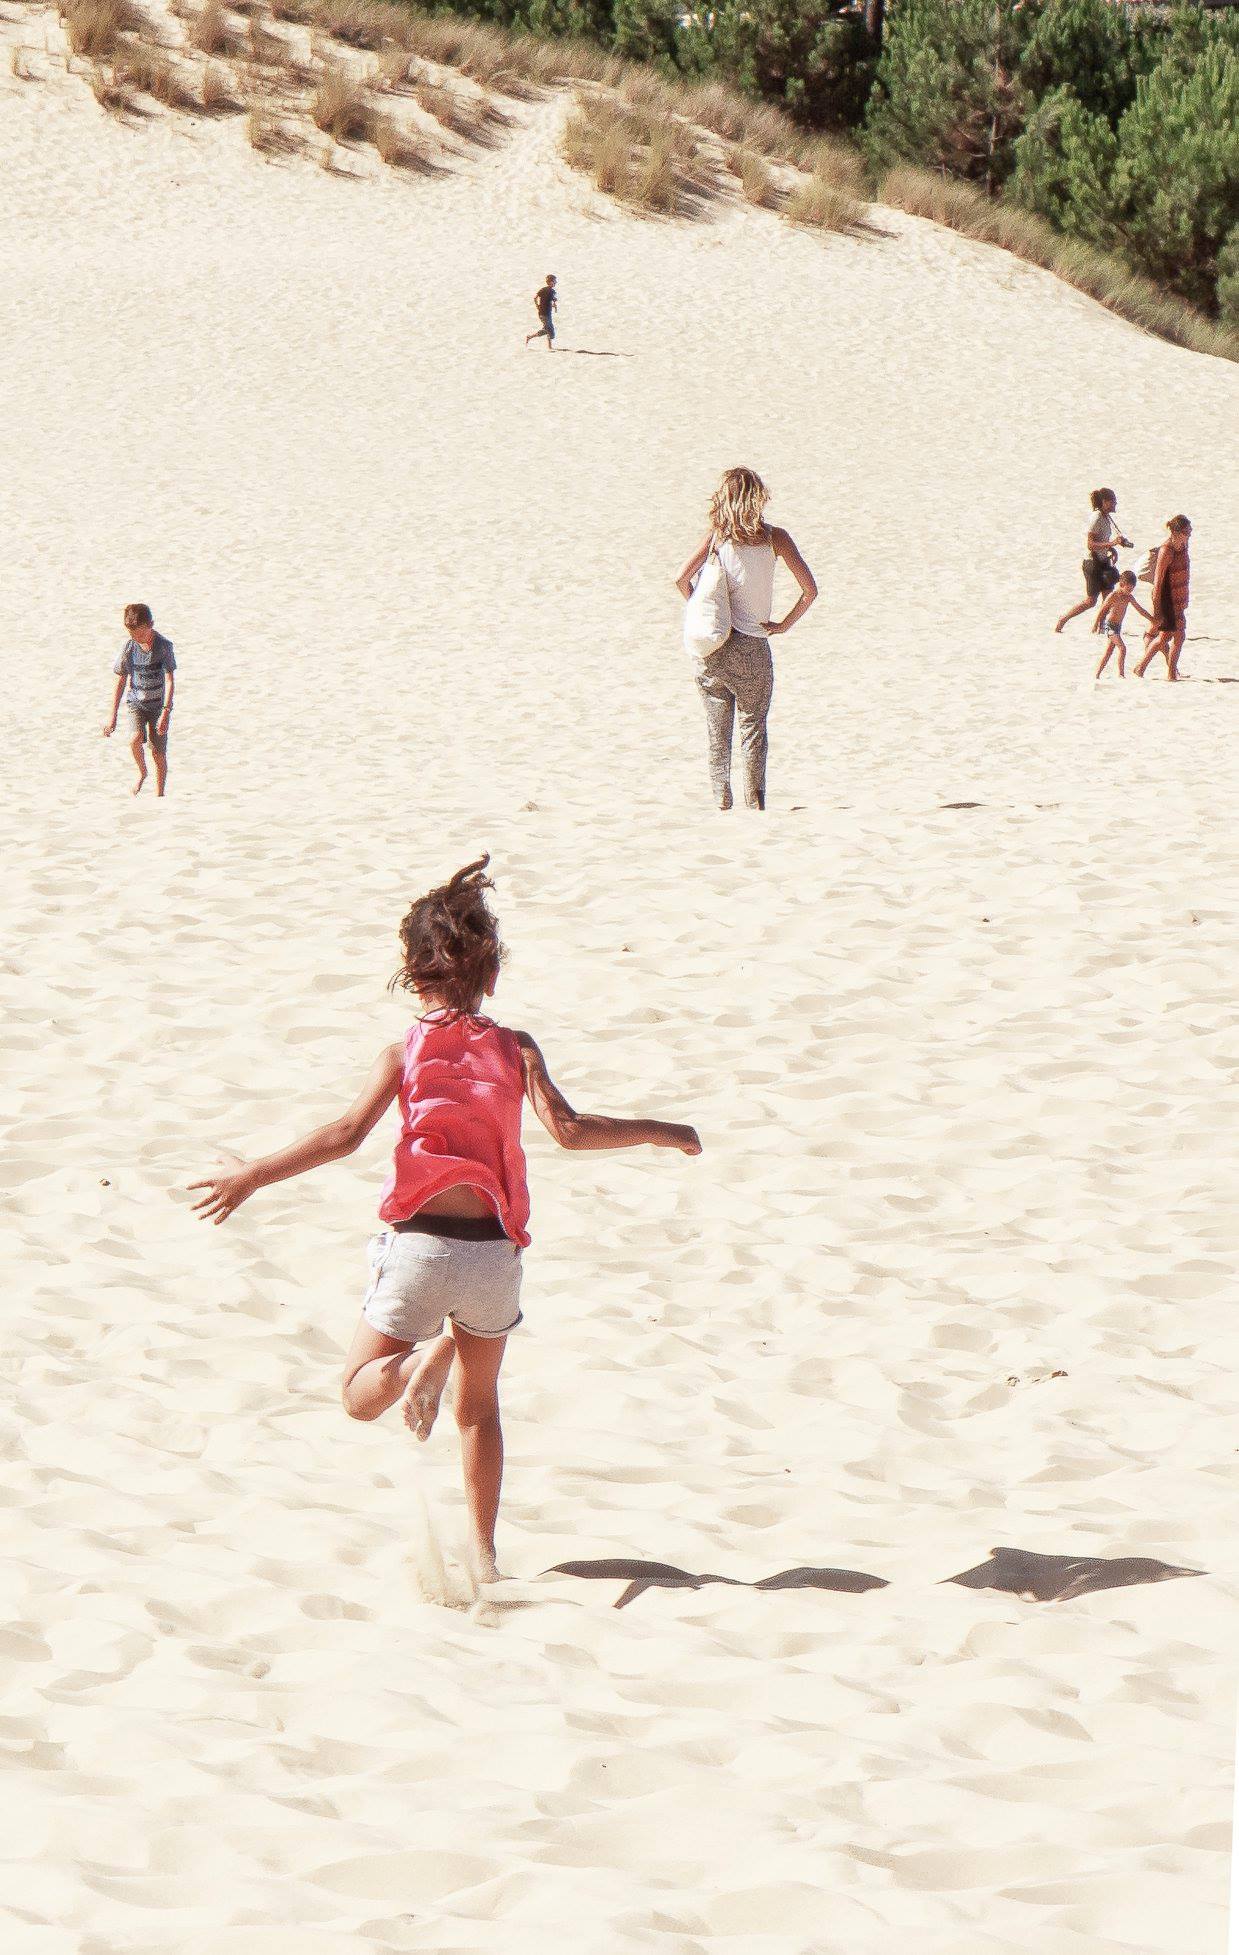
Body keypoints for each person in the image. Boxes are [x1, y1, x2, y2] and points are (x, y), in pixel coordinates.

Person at [188, 857, 701, 1581]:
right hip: (493, 1259)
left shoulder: (402, 1051)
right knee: (479, 1410)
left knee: (359, 1391)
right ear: (490, 973)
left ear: (411, 971)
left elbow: (343, 1133)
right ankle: (485, 1556)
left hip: (422, 1249)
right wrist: (660, 1128)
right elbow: (570, 1129)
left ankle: (418, 1357)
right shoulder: (515, 1046)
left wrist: (250, 1174)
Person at [674, 467, 817, 811]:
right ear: (758, 496)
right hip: (754, 648)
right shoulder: (776, 538)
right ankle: (755, 805)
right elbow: (810, 591)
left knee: (717, 732)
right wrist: (783, 625)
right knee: (753, 731)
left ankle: (722, 803)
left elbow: (680, 579)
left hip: (714, 647)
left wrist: (704, 610)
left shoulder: (716, 537)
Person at [102, 602, 176, 796]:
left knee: (158, 753)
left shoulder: (164, 646)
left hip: (158, 707)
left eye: (141, 634)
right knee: (134, 740)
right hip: (136, 704)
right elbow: (120, 679)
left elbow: (169, 679)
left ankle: (160, 795)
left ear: (151, 624)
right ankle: (142, 773)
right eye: (132, 634)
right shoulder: (129, 647)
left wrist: (166, 712)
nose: (136, 638)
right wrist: (113, 716)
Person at [1055, 489, 1131, 633]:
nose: (1115, 503)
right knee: (1091, 601)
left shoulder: (1106, 517)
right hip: (1092, 564)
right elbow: (1090, 544)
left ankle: (1101, 627)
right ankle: (1063, 619)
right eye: (1113, 500)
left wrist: (1111, 548)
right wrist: (1112, 544)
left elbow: (1101, 540)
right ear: (1105, 502)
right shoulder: (1096, 518)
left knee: (1108, 597)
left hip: (1103, 562)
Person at [1135, 516, 1192, 682]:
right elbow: (1158, 582)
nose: (1189, 534)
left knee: (1176, 636)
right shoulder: (1166, 550)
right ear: (1175, 532)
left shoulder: (1184, 545)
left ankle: (1157, 670)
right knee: (1166, 637)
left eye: (1190, 531)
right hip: (1167, 600)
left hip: (1179, 598)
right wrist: (1158, 609)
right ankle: (1150, 668)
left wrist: (1184, 597)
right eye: (1186, 531)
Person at [1092, 571, 1152, 679]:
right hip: (1110, 626)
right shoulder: (1113, 595)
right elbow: (1102, 610)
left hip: (1118, 627)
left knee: (1108, 652)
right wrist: (1096, 624)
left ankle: (1097, 674)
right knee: (1122, 648)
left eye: (1132, 589)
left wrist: (1151, 619)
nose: (1130, 592)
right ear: (1121, 584)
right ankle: (1121, 674)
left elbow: (1140, 610)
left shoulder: (1129, 597)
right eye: (1128, 589)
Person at [525, 274, 557, 350]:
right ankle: (530, 337)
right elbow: (552, 300)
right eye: (555, 281)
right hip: (546, 314)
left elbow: (535, 298)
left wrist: (537, 306)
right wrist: (554, 305)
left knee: (548, 329)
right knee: (549, 330)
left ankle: (549, 347)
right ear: (551, 282)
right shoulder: (552, 291)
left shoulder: (543, 289)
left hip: (542, 313)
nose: (556, 282)